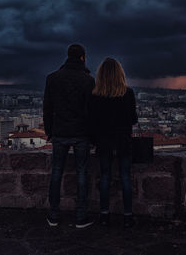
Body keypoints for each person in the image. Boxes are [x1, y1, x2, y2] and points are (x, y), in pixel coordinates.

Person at [43, 44, 95, 228]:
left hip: (60, 131)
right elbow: (91, 111)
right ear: (83, 57)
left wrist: (49, 130)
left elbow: (47, 108)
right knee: (82, 172)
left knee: (56, 171)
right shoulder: (88, 80)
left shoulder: (52, 78)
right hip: (81, 132)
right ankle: (81, 216)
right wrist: (92, 135)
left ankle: (53, 215)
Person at [89, 57, 138, 228]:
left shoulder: (95, 96)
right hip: (123, 140)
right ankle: (127, 216)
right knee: (125, 178)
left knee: (105, 177)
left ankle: (104, 215)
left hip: (104, 141)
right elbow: (133, 119)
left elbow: (92, 122)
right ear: (120, 74)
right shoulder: (128, 93)